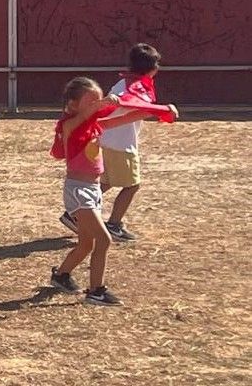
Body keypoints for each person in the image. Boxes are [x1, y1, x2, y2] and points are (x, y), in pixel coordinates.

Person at [48, 76, 173, 306]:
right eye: (91, 102)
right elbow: (86, 115)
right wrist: (104, 103)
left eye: (99, 100)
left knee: (87, 244)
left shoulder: (97, 125)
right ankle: (96, 290)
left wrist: (158, 111)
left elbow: (127, 117)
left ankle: (61, 275)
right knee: (104, 239)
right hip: (78, 191)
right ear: (73, 105)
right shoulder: (69, 126)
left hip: (93, 190)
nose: (98, 105)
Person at [96, 43, 174, 243]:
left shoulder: (123, 83)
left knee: (106, 182)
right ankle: (113, 224)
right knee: (132, 186)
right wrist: (164, 110)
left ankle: (76, 212)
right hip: (120, 145)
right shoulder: (135, 87)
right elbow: (136, 106)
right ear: (152, 68)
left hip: (106, 140)